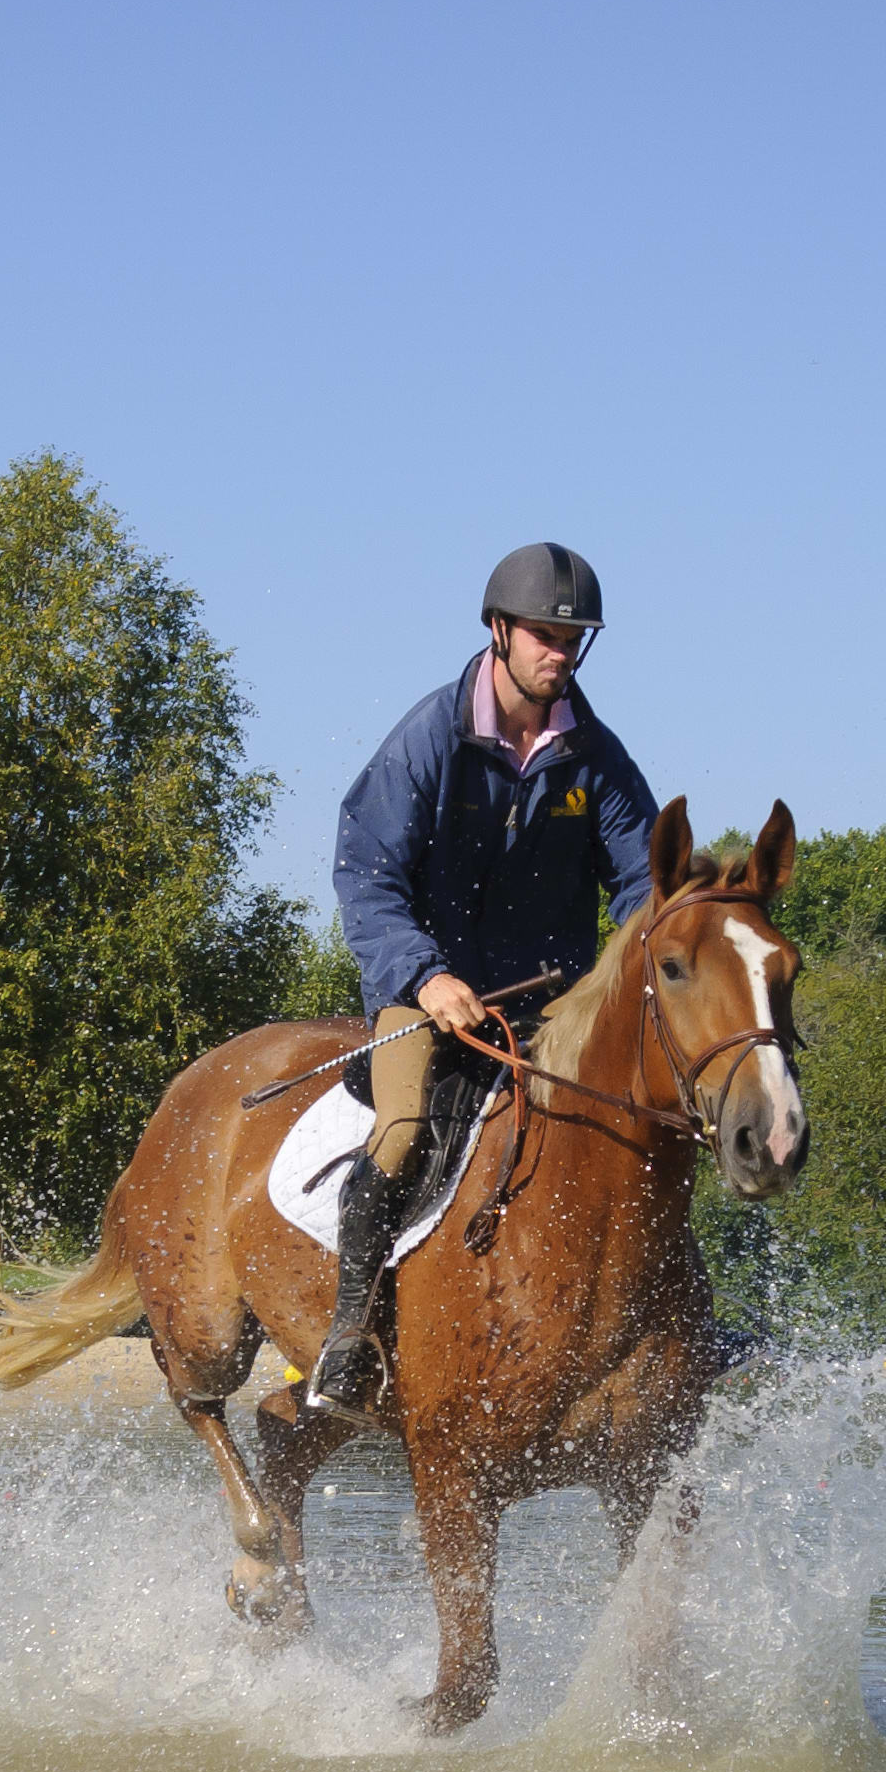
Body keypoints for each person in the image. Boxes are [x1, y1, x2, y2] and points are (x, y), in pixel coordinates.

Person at [311, 542, 661, 1412]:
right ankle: (350, 1336)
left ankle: (670, 1324)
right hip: (425, 996)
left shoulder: (596, 757)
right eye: (545, 635)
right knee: (402, 1130)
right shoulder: (431, 736)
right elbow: (367, 874)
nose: (561, 653)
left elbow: (644, 885)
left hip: (552, 1010)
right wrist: (425, 975)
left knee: (640, 1126)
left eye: (573, 639)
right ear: (499, 630)